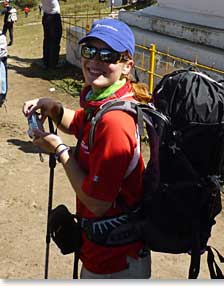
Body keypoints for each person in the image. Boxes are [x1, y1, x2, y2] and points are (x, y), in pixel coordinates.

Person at [22, 18, 152, 279]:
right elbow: (79, 123)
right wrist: (54, 107)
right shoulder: (103, 102)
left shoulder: (114, 122)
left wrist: (59, 149)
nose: (94, 61)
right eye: (89, 51)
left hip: (115, 262)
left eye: (107, 55)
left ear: (127, 65)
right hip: (101, 249)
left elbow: (98, 203)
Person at [41, 0, 63, 68]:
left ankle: (46, 62)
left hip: (46, 16)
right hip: (54, 17)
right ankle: (53, 63)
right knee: (55, 40)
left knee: (47, 40)